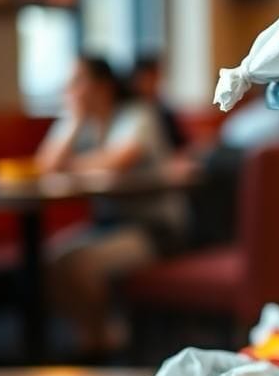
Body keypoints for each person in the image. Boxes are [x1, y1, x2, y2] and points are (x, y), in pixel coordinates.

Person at [36, 56, 186, 355]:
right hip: (107, 225)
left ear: (103, 87)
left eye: (77, 82)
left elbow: (118, 162)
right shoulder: (78, 120)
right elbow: (45, 167)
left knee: (79, 264)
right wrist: (74, 122)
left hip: (155, 228)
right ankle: (97, 338)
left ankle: (104, 345)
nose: (68, 90)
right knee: (50, 259)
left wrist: (69, 166)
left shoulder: (137, 114)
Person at [130, 54, 187, 151]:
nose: (153, 82)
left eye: (156, 77)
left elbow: (177, 141)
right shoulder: (134, 111)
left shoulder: (161, 107)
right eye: (147, 78)